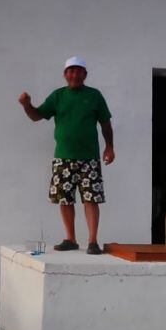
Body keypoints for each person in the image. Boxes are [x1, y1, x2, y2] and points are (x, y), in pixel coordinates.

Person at [17, 56, 114, 255]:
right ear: (65, 74)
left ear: (85, 74)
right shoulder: (57, 96)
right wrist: (27, 105)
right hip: (63, 157)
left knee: (91, 199)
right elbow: (37, 116)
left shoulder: (95, 95)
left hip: (89, 158)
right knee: (65, 199)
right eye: (71, 71)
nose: (74, 74)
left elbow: (105, 123)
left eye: (79, 71)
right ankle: (71, 239)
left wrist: (109, 147)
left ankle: (93, 241)